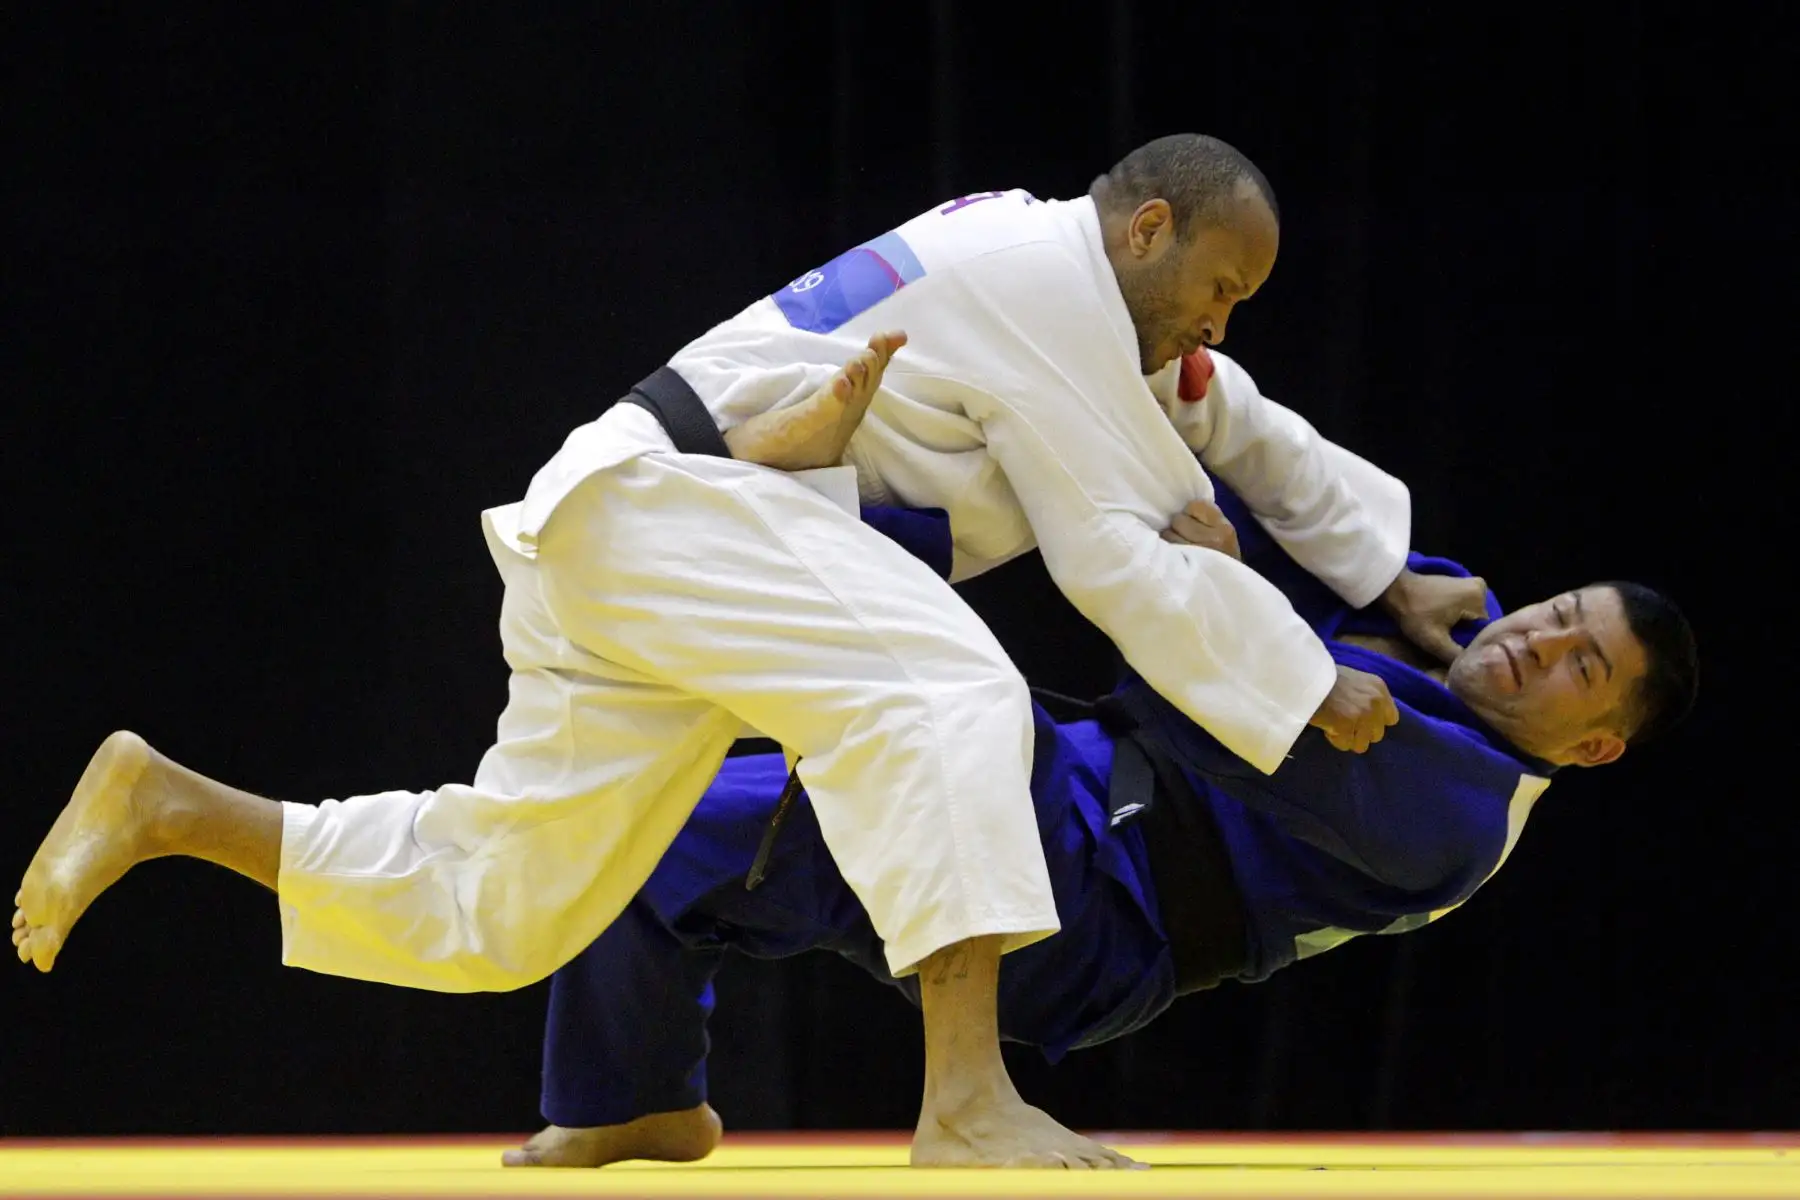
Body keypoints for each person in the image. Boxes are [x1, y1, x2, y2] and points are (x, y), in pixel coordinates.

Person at [15, 135, 1477, 1169]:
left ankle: (171, 806)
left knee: (512, 898)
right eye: (1221, 284)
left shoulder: (1095, 309)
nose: (1222, 320)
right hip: (676, 501)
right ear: (1148, 228)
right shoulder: (1050, 287)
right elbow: (1118, 555)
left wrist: (1393, 575)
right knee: (950, 691)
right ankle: (966, 1100)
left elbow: (1241, 423)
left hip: (638, 526)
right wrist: (1306, 681)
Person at [503, 476, 1698, 1169]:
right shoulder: (1444, 605)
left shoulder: (1464, 817)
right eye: (1558, 611)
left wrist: (1224, 580)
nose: (1538, 639)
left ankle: (963, 1102)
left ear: (1594, 744)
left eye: (1579, 665)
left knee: (930, 705)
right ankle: (635, 1096)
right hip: (1070, 782)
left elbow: (1206, 701)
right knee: (650, 836)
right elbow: (1259, 496)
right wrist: (1379, 569)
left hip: (1105, 911)